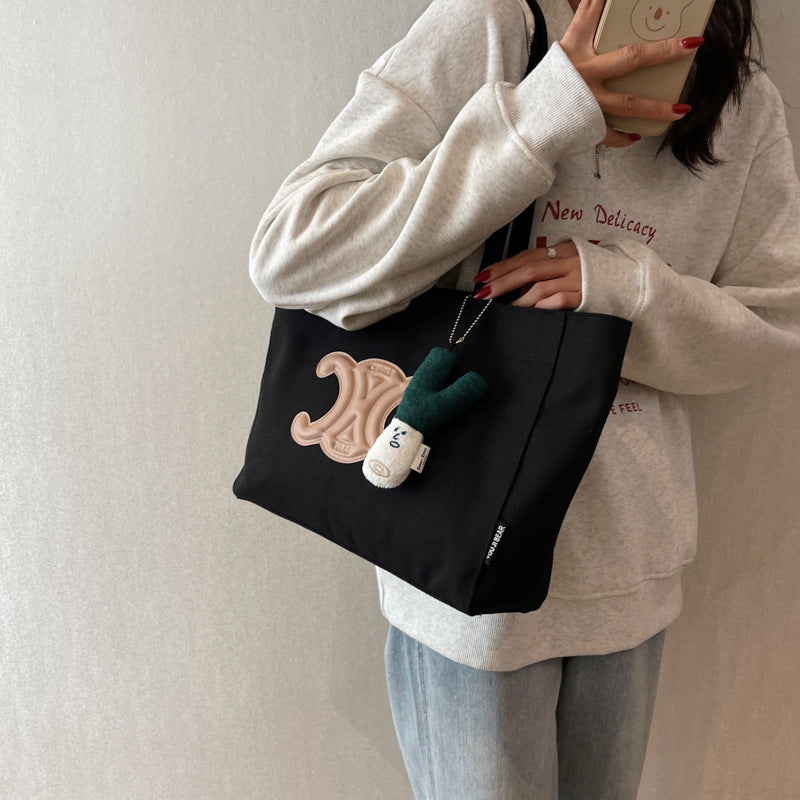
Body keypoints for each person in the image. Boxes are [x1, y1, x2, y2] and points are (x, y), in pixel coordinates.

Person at [249, 0, 800, 797]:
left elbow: (774, 325)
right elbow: (294, 250)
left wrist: (624, 289)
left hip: (627, 571)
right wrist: (543, 112)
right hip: (461, 571)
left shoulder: (740, 98)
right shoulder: (491, 26)